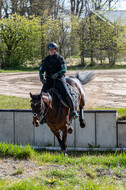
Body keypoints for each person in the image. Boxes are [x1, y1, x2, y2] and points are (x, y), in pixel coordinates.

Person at [39, 42, 78, 124]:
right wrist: (42, 78)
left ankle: (73, 111)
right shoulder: (45, 60)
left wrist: (57, 74)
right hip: (49, 80)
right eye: (50, 50)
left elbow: (64, 69)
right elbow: (41, 71)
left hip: (59, 79)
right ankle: (43, 117)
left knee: (66, 93)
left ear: (56, 50)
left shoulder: (60, 58)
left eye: (52, 49)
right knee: (41, 96)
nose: (51, 51)